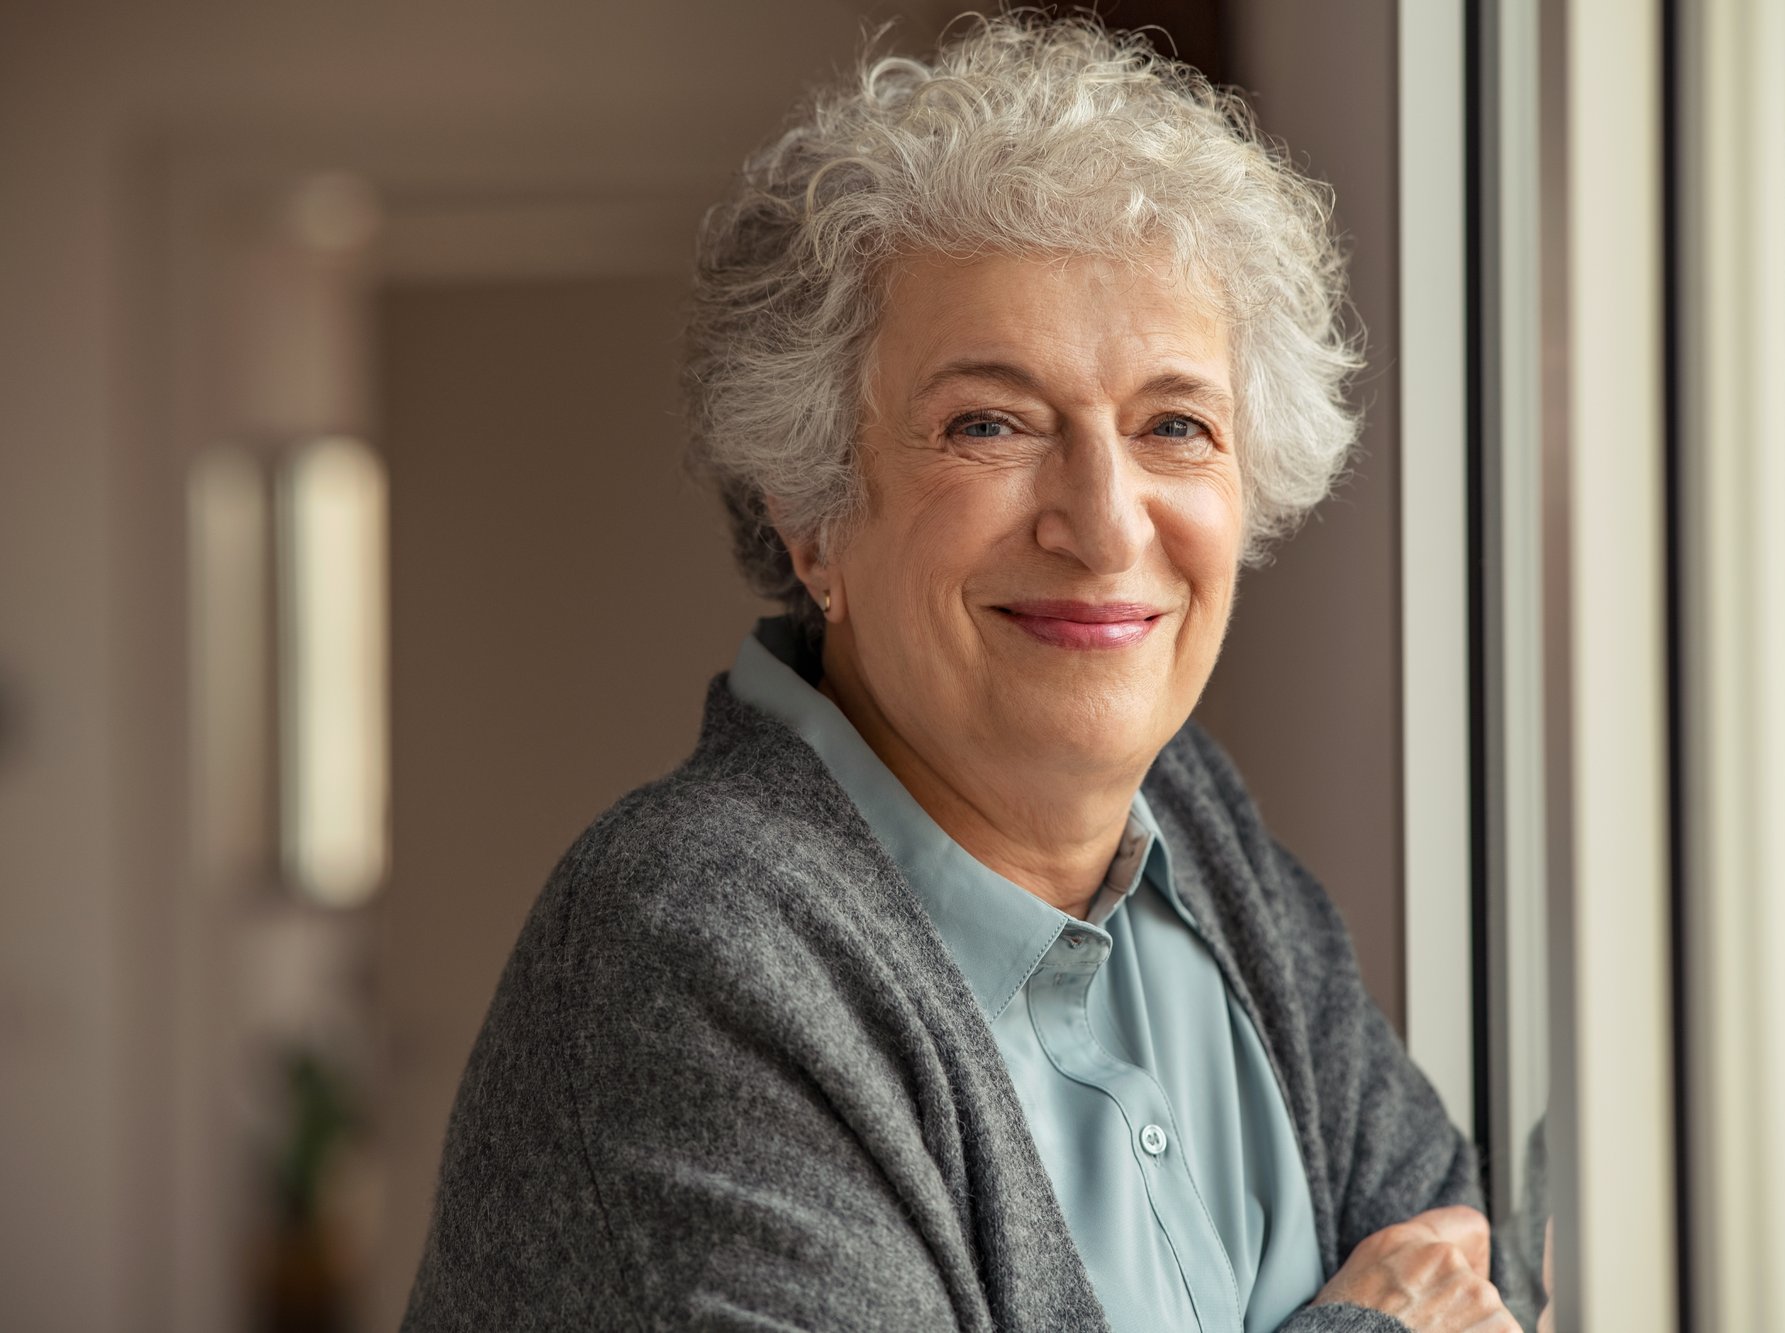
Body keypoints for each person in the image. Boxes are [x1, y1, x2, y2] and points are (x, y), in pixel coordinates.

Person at [401, 15, 1533, 1331]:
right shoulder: (693, 945)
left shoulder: (1199, 832)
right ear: (812, 514)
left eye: (1176, 425)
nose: (1104, 524)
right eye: (991, 423)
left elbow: (1473, 1269)